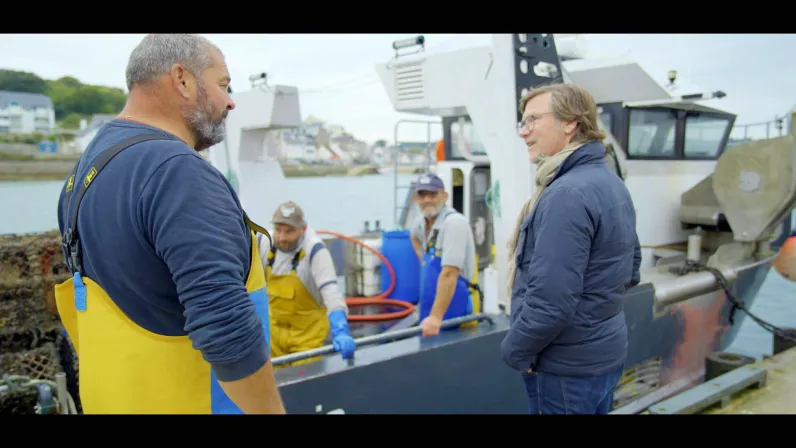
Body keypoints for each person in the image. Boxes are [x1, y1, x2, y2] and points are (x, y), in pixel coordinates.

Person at [53, 34, 285, 415]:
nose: (230, 101)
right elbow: (224, 325)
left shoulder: (84, 172)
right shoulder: (178, 172)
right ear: (182, 80)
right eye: (223, 84)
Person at [500, 82, 641, 415]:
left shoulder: (565, 194)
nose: (523, 131)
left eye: (533, 120)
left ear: (569, 123)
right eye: (523, 121)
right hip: (601, 357)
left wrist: (515, 350)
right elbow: (631, 269)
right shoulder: (610, 182)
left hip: (565, 369)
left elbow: (551, 302)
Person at [258, 201, 356, 366]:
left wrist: (341, 329)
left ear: (303, 229)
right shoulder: (264, 242)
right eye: (278, 230)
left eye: (289, 231)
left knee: (304, 380)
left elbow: (331, 292)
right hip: (274, 334)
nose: (282, 237)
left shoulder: (315, 251)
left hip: (307, 338)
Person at [409, 174, 481, 337]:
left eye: (433, 194)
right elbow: (413, 236)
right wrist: (423, 259)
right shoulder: (421, 222)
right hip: (430, 305)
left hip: (456, 309)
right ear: (416, 198)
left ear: (445, 196)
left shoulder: (454, 223)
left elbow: (449, 273)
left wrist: (436, 318)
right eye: (422, 195)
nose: (427, 199)